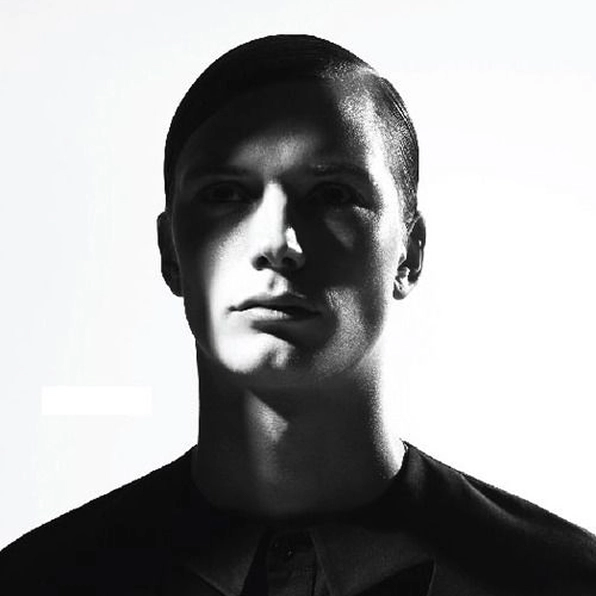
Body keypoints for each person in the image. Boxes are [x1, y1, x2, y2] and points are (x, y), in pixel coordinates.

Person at [1, 34, 595, 595]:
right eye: (225, 194)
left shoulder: (564, 580)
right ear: (170, 252)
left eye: (333, 195)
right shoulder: (36, 581)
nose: (278, 243)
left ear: (409, 254)